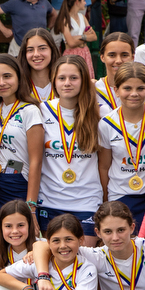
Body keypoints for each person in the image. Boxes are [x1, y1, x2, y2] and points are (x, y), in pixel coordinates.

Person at [0, 55, 44, 240]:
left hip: (17, 184)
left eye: (7, 76)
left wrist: (31, 205)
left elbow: (36, 162)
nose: (1, 83)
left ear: (19, 78)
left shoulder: (30, 111)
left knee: (18, 247)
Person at [36, 55, 102, 245]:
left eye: (74, 78)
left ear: (84, 80)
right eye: (61, 78)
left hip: (87, 202)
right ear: (53, 81)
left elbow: (105, 164)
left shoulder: (97, 113)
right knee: (54, 263)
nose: (67, 83)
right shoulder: (41, 110)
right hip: (50, 201)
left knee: (83, 260)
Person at [98, 62, 145, 229]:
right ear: (116, 90)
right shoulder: (107, 124)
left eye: (140, 88)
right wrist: (107, 202)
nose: (134, 94)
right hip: (120, 196)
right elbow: (104, 167)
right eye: (127, 88)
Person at [52, 0, 97, 79]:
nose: (85, 3)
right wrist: (86, 37)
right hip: (72, 54)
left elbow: (94, 36)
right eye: (83, 0)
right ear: (77, 2)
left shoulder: (82, 17)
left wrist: (81, 36)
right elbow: (71, 43)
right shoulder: (65, 20)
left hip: (85, 51)